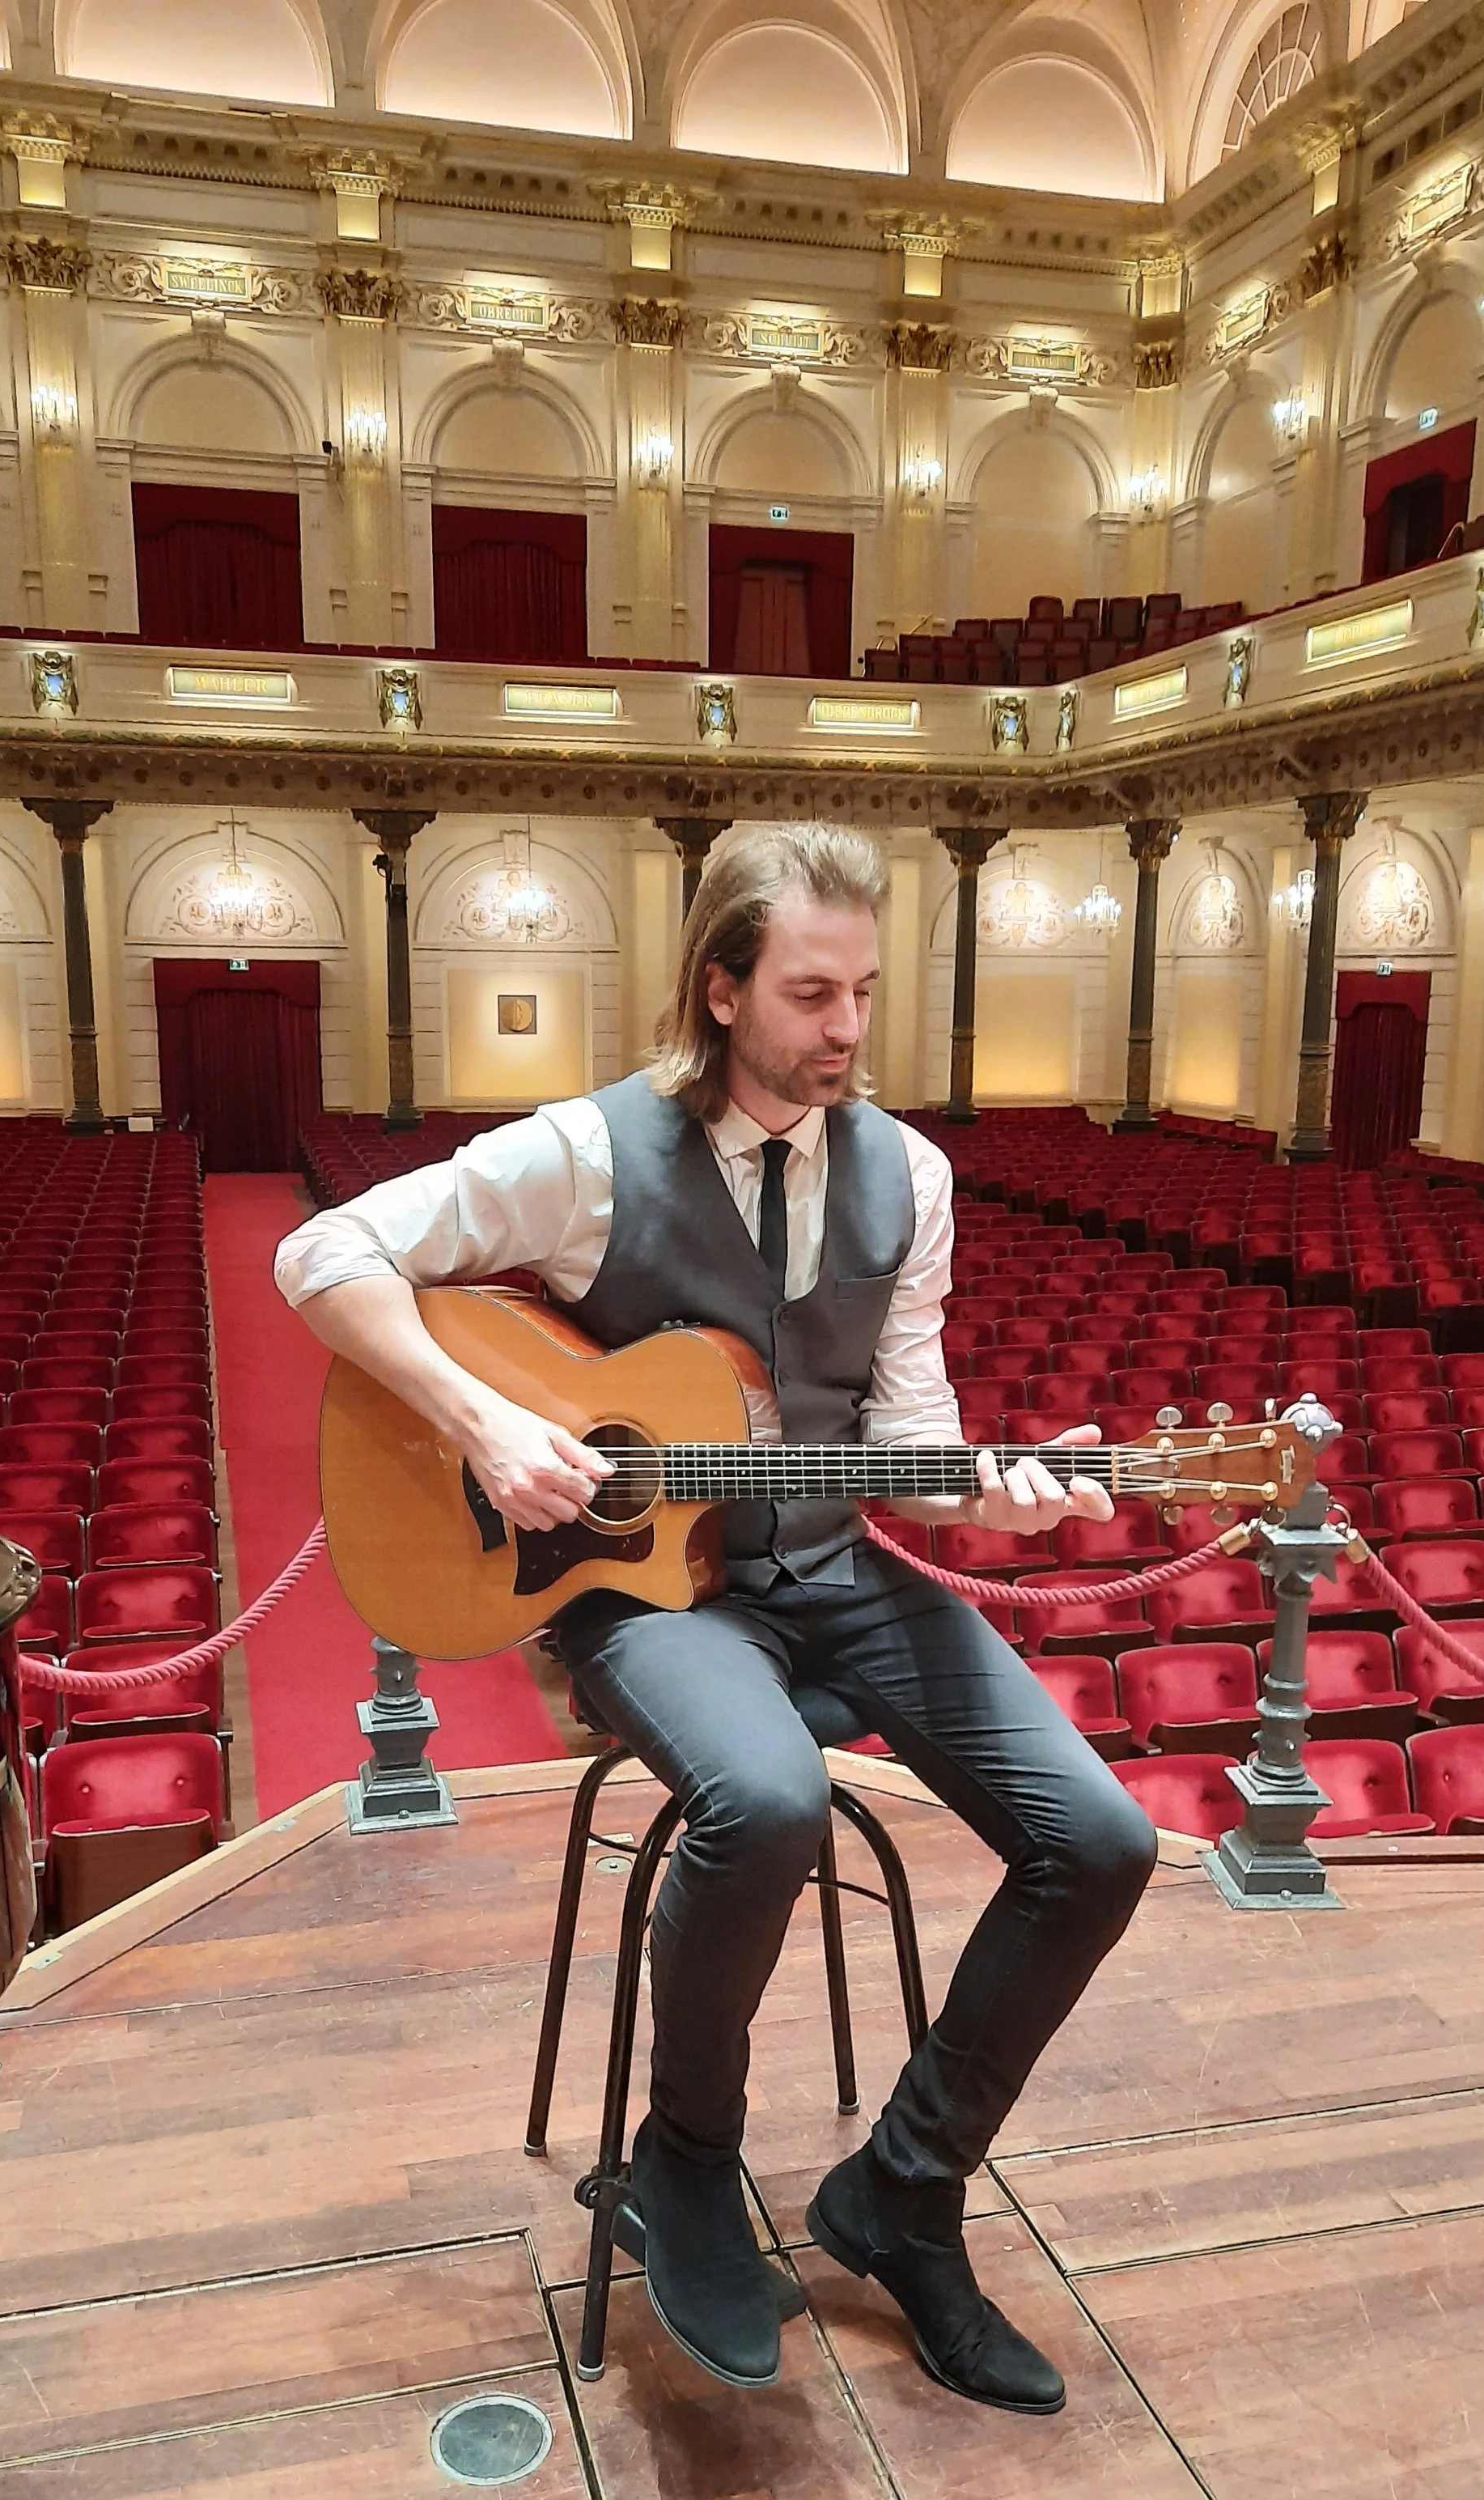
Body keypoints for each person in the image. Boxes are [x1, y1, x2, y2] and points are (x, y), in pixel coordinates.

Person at [275, 822, 1158, 2413]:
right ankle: (682, 2159)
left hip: (832, 1564)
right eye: (810, 992)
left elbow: (916, 1432)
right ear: (722, 986)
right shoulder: (589, 1152)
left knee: (1098, 1838)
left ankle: (901, 2191)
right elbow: (319, 1249)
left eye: (863, 993)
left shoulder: (911, 1176)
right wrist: (479, 1419)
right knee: (764, 1797)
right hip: (642, 1585)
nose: (844, 1029)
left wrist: (1000, 1495)